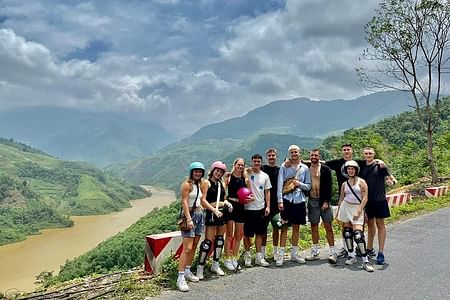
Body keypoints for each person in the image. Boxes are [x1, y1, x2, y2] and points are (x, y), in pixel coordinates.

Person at [359, 146, 397, 265]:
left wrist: (391, 182)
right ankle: (369, 249)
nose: (368, 155)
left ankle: (381, 252)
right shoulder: (362, 167)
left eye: (370, 153)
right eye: (366, 153)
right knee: (370, 225)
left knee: (380, 225)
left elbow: (392, 179)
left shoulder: (380, 166)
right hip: (367, 201)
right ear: (363, 154)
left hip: (379, 200)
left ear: (374, 154)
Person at [276, 145, 311, 266]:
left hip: (299, 200)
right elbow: (280, 183)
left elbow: (308, 186)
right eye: (292, 152)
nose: (294, 154)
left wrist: (299, 184)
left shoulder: (305, 168)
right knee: (284, 226)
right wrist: (280, 201)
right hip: (286, 200)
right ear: (289, 154)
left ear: (299, 153)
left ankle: (294, 254)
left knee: (297, 227)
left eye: (296, 152)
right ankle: (280, 255)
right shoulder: (284, 166)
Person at [336, 160, 374, 272]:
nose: (350, 171)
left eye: (352, 169)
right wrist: (338, 212)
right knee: (347, 232)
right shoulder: (344, 184)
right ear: (346, 170)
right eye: (349, 169)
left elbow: (365, 198)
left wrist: (359, 210)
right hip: (345, 207)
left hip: (357, 208)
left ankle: (365, 260)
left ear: (356, 170)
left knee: (358, 235)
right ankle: (351, 255)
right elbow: (341, 199)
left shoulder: (361, 182)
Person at [197, 161, 232, 279]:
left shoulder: (221, 183)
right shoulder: (207, 182)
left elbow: (224, 197)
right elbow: (203, 200)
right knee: (207, 242)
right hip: (212, 214)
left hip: (222, 213)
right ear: (213, 170)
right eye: (217, 171)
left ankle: (215, 265)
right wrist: (214, 210)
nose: (219, 173)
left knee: (220, 240)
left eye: (221, 171)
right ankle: (200, 267)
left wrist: (227, 203)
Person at [176, 162, 208, 292]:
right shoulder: (187, 184)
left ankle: (188, 270)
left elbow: (202, 199)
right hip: (190, 215)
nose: (198, 173)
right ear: (191, 172)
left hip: (200, 215)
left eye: (200, 171)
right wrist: (189, 219)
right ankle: (180, 277)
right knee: (187, 248)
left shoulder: (200, 185)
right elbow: (184, 201)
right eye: (196, 171)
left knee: (194, 245)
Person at [305, 149, 337, 264]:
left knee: (328, 225)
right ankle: (315, 251)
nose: (314, 157)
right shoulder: (306, 168)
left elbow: (329, 185)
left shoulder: (325, 169)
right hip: (312, 200)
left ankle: (333, 252)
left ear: (319, 156)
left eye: (316, 155)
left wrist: (326, 201)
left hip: (323, 200)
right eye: (312, 155)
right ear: (310, 157)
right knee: (314, 226)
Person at [243, 154, 272, 267]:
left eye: (258, 161)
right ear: (252, 162)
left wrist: (268, 206)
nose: (256, 163)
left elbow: (267, 192)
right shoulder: (247, 173)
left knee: (260, 233)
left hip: (260, 208)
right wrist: (246, 170)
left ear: (261, 162)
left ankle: (259, 257)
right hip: (247, 209)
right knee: (247, 234)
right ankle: (248, 256)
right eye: (254, 161)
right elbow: (238, 169)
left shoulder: (265, 176)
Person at [223, 158, 252, 271]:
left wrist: (249, 199)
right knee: (229, 235)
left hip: (241, 207)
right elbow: (224, 191)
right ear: (234, 165)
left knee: (239, 235)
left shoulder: (245, 180)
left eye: (242, 165)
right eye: (238, 165)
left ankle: (234, 258)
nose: (240, 167)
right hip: (230, 206)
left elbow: (249, 194)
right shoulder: (229, 177)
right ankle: (227, 259)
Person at [261, 148, 281, 260]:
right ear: (267, 157)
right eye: (269, 155)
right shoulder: (263, 169)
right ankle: (262, 252)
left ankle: (275, 252)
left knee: (276, 227)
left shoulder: (280, 169)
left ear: (276, 156)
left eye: (273, 155)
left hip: (276, 202)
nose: (271, 157)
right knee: (263, 228)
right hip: (263, 203)